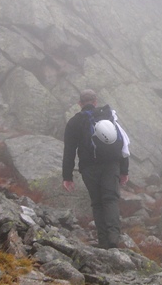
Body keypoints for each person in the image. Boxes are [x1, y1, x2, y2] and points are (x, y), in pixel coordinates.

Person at [62, 89, 130, 249]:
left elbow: (69, 151)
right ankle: (114, 238)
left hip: (88, 167)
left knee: (98, 203)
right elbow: (123, 144)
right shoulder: (108, 116)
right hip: (111, 164)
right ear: (95, 102)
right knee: (111, 199)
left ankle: (103, 241)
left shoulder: (74, 122)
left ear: (80, 103)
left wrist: (67, 176)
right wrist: (124, 171)